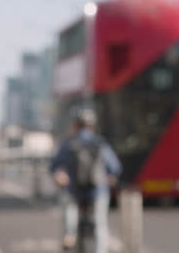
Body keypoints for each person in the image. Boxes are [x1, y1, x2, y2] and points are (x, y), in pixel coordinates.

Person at [51, 108, 121, 253]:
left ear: (75, 125)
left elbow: (54, 166)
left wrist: (59, 176)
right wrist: (109, 178)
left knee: (69, 208)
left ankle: (69, 234)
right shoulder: (100, 143)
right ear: (92, 126)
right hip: (97, 191)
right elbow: (115, 167)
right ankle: (101, 249)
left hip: (74, 191)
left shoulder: (68, 144)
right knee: (100, 224)